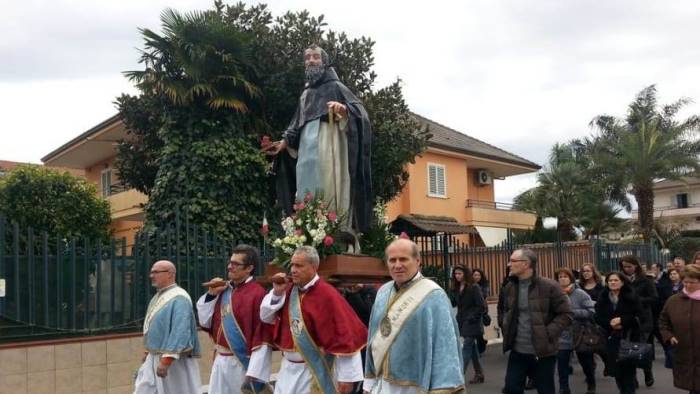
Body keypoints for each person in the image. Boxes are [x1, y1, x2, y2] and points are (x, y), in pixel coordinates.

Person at [264, 44, 373, 242]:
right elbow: (296, 124)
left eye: (315, 57)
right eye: (307, 58)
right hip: (306, 147)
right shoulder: (305, 95)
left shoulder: (336, 87)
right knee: (306, 189)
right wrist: (284, 142)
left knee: (329, 181)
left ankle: (334, 230)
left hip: (329, 140)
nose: (311, 61)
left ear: (324, 61)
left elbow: (360, 114)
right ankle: (308, 232)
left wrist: (343, 110)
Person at [260, 246, 367, 394]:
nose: (293, 270)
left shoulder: (328, 294)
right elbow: (265, 317)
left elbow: (346, 338)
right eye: (292, 265)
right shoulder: (288, 290)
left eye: (299, 265)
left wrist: (347, 377)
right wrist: (277, 293)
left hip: (314, 372)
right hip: (286, 370)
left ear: (314, 267)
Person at [363, 238, 465, 393]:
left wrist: (442, 388)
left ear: (418, 261)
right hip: (381, 384)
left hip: (416, 386)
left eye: (403, 259)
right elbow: (374, 335)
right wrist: (368, 383)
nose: (397, 265)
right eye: (392, 260)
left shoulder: (434, 296)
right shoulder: (383, 292)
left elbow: (445, 346)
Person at [196, 245, 272, 393]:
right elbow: (205, 322)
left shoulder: (257, 294)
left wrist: (255, 373)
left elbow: (262, 336)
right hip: (220, 361)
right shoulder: (223, 290)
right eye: (230, 262)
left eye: (236, 264)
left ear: (249, 268)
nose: (230, 267)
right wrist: (211, 295)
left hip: (242, 364)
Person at [498, 248, 573, 394]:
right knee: (511, 389)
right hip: (517, 350)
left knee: (545, 390)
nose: (509, 264)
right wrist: (504, 324)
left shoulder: (549, 286)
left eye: (513, 261)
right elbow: (505, 310)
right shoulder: (510, 287)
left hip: (542, 352)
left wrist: (547, 333)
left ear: (526, 264)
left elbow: (566, 314)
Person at [134, 260, 201, 394]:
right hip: (155, 356)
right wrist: (148, 352)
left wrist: (166, 360)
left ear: (170, 274)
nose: (151, 275)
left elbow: (180, 331)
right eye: (151, 272)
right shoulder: (160, 295)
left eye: (156, 272)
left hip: (173, 361)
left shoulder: (179, 298)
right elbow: (158, 327)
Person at [595, 272, 643, 394]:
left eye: (615, 280)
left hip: (629, 337)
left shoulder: (631, 295)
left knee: (628, 371)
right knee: (617, 372)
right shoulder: (603, 296)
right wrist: (610, 323)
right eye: (610, 280)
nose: (612, 282)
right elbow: (597, 317)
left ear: (622, 282)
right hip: (611, 338)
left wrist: (622, 320)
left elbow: (640, 316)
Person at [659, 264, 700, 394]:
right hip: (684, 351)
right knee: (693, 386)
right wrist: (669, 336)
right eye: (685, 282)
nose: (688, 285)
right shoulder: (673, 301)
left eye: (692, 282)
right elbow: (663, 321)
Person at [555, 268, 596, 394]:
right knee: (562, 362)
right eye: (560, 277)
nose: (562, 279)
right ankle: (564, 387)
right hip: (562, 333)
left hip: (580, 333)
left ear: (571, 278)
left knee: (586, 362)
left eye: (565, 276)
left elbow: (591, 312)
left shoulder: (580, 294)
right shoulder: (554, 294)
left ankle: (591, 383)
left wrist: (572, 312)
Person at [619, 255, 658, 387]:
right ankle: (632, 377)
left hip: (643, 320)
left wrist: (637, 301)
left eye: (629, 266)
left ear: (636, 266)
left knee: (642, 348)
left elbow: (654, 298)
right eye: (624, 267)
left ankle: (648, 372)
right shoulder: (621, 280)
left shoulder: (646, 280)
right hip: (627, 320)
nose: (627, 269)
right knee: (629, 349)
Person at [452, 265, 486, 384]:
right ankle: (479, 373)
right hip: (462, 321)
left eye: (459, 273)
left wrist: (472, 318)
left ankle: (458, 376)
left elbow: (481, 306)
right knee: (472, 349)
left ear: (465, 274)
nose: (457, 276)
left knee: (466, 347)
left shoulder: (474, 287)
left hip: (472, 322)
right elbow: (455, 303)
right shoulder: (457, 288)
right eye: (455, 274)